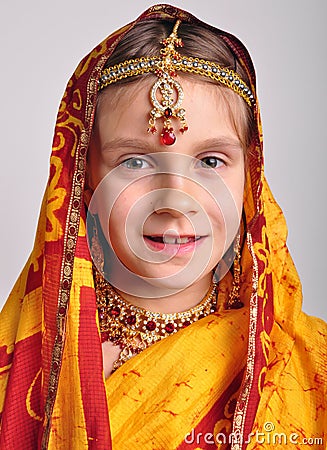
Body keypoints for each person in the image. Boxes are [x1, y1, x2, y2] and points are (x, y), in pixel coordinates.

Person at [0, 4, 326, 449]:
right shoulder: (22, 364)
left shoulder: (309, 368)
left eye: (211, 161)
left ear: (251, 177)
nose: (175, 200)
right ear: (85, 178)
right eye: (134, 161)